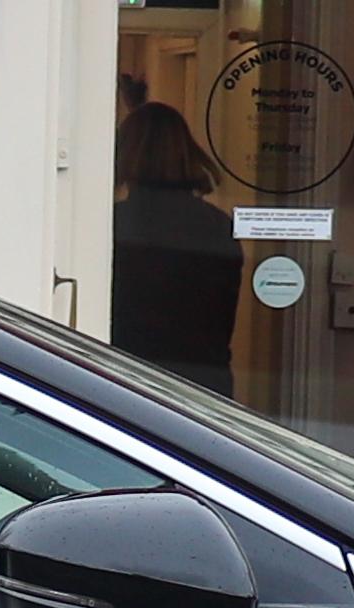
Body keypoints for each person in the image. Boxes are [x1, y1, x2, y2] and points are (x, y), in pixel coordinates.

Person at [107, 101, 236, 398]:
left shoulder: (114, 223)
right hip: (204, 383)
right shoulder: (217, 226)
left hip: (126, 377)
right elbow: (220, 322)